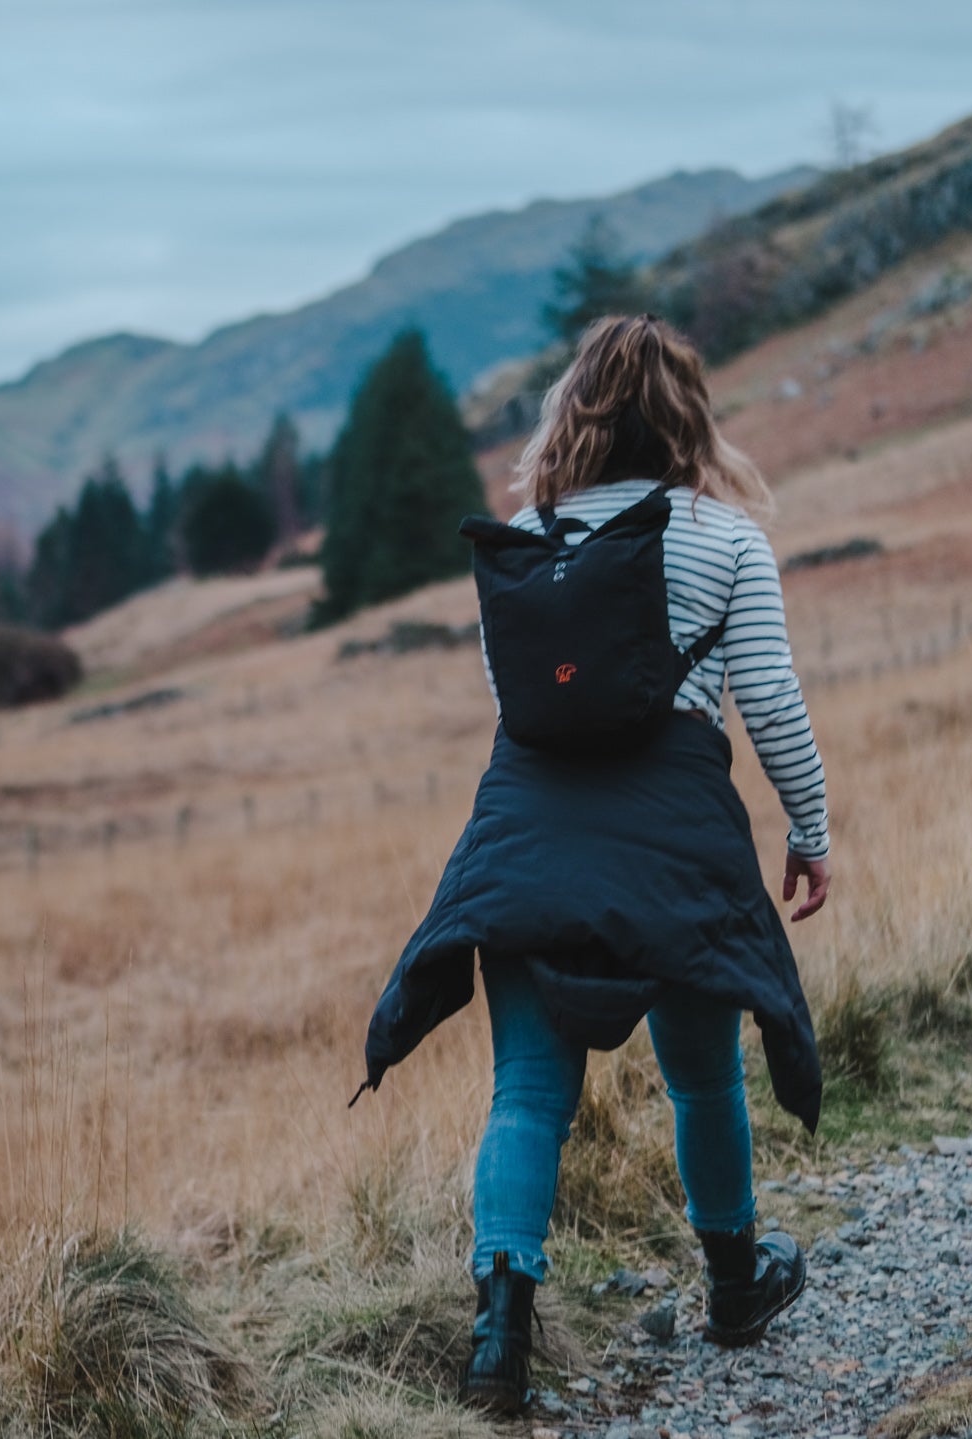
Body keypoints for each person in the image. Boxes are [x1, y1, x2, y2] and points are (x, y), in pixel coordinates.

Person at [353, 314, 832, 1416]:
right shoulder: (722, 538)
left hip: (526, 844)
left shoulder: (528, 543)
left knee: (525, 1094)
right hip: (674, 843)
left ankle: (498, 1342)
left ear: (571, 411)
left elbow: (522, 706)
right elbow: (768, 703)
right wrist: (807, 829)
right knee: (701, 1075)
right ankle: (732, 1284)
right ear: (683, 417)